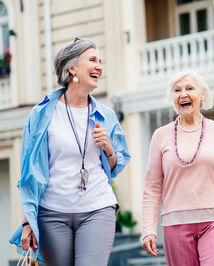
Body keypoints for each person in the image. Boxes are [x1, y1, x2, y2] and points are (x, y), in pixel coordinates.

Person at [9, 38, 131, 265]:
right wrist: (28, 222)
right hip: (52, 212)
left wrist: (109, 149)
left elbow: (114, 167)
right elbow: (29, 174)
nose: (99, 66)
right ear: (72, 68)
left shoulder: (106, 115)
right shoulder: (42, 114)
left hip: (97, 207)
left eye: (100, 61)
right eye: (92, 60)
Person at [141, 70, 214, 265]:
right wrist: (148, 230)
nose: (183, 94)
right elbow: (152, 188)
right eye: (177, 90)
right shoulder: (160, 136)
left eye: (190, 88)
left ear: (202, 95)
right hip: (175, 223)